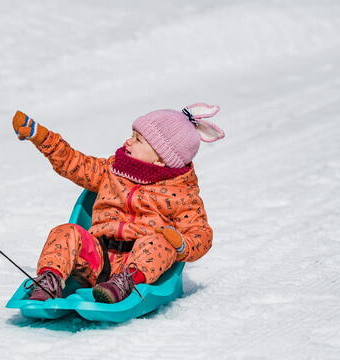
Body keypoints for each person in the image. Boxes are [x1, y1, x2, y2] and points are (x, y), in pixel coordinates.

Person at [12, 103, 225, 304]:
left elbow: (201, 234)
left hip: (138, 265)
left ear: (161, 158)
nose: (128, 142)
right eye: (132, 135)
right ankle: (50, 281)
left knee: (160, 243)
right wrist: (42, 138)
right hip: (97, 257)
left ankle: (121, 285)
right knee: (65, 232)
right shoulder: (112, 170)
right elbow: (74, 163)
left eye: (138, 140)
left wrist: (180, 244)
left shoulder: (181, 194)